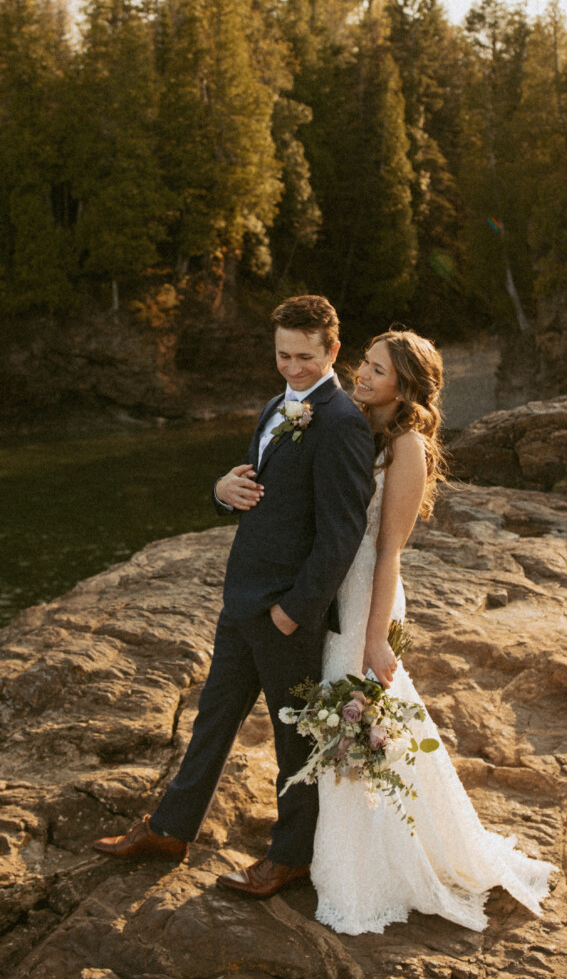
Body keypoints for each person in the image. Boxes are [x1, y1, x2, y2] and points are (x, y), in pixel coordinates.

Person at [92, 295, 376, 898]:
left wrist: (293, 612)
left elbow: (341, 536)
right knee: (213, 719)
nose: (292, 367)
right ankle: (171, 829)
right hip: (242, 600)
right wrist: (222, 492)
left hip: (285, 614)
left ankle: (291, 856)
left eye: (304, 357)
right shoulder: (276, 406)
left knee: (293, 736)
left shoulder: (343, 423)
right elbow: (254, 486)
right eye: (282, 355)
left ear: (333, 351)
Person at [310, 329, 556, 934]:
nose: (362, 374)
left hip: (368, 596)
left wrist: (375, 638)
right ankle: (340, 843)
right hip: (334, 589)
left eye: (378, 370)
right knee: (340, 715)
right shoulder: (356, 425)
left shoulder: (408, 446)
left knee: (360, 714)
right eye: (365, 363)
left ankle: (373, 866)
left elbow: (389, 550)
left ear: (404, 387)